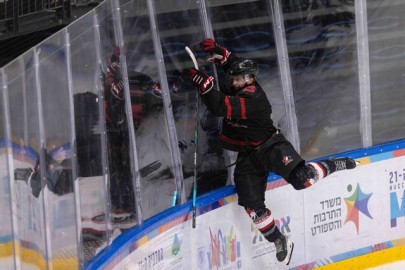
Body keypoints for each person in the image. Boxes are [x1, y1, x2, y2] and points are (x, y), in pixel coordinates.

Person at [183, 38, 357, 265]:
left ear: (249, 80)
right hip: (248, 155)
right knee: (252, 206)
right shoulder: (240, 83)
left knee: (301, 179)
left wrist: (205, 87)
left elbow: (218, 106)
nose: (233, 83)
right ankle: (278, 239)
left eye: (237, 80)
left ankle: (335, 164)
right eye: (233, 79)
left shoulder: (254, 97)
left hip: (271, 146)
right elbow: (235, 65)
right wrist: (224, 56)